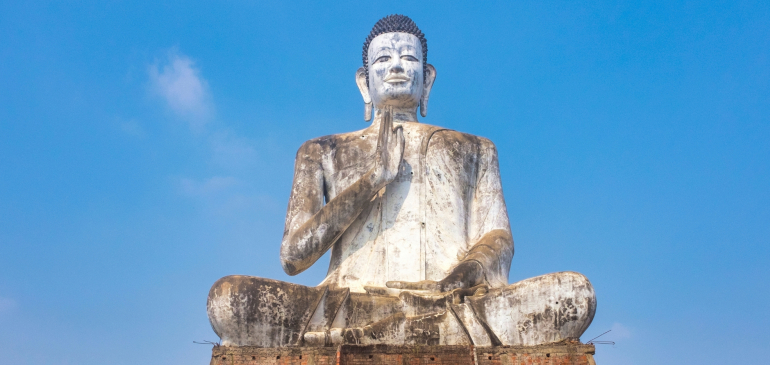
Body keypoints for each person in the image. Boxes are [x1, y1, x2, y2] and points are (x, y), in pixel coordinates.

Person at [207, 15, 595, 347]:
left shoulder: (476, 148)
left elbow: (498, 239)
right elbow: (293, 257)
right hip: (349, 304)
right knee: (230, 299)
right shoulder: (322, 150)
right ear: (364, 81)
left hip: (452, 303)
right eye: (384, 59)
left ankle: (392, 330)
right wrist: (372, 179)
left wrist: (460, 277)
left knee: (573, 294)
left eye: (408, 57)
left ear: (426, 79)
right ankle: (403, 328)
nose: (396, 66)